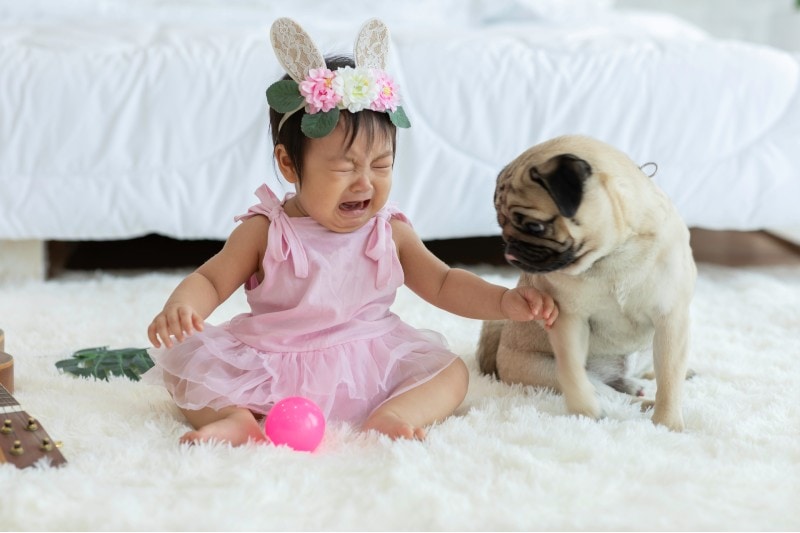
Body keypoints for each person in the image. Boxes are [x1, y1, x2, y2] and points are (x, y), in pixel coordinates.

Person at [143, 18, 558, 446]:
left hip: (369, 360)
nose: (365, 183)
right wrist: (183, 306)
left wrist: (504, 302)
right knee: (189, 372)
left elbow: (444, 282)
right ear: (289, 165)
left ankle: (392, 414)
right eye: (344, 168)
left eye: (381, 165)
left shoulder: (388, 231)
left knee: (451, 374)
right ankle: (238, 419)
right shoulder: (266, 230)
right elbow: (211, 279)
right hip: (273, 358)